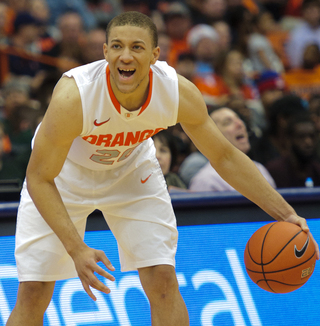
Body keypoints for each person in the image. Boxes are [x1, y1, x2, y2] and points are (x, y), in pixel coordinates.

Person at [6, 11, 319, 326]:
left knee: (163, 280)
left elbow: (224, 156)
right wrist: (76, 248)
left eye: (137, 47)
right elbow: (39, 177)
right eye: (116, 46)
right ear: (105, 52)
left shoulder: (176, 92)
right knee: (33, 292)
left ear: (156, 55)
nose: (125, 56)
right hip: (62, 177)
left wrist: (286, 213)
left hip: (131, 171)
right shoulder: (75, 97)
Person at [189, 107, 276, 191]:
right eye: (227, 122)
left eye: (239, 119)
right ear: (212, 136)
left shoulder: (260, 169)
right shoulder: (207, 180)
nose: (240, 124)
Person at [266, 112, 320, 188]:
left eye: (312, 136)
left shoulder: (317, 170)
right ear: (289, 139)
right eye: (301, 137)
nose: (308, 142)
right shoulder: (274, 171)